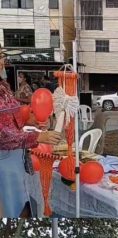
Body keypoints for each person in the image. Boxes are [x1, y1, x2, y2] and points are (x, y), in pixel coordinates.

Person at [0, 50, 61, 217]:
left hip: (15, 158)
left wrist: (29, 118)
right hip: (3, 161)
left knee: (21, 205)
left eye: (2, 55)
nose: (3, 61)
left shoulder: (4, 86)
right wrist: (39, 137)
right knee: (9, 209)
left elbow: (10, 116)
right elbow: (3, 134)